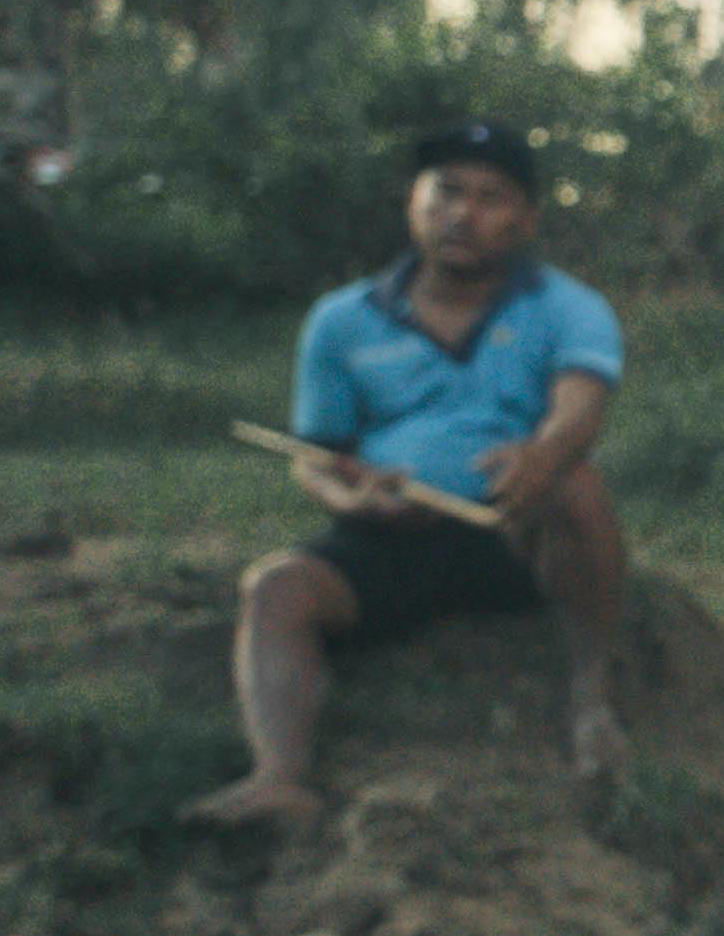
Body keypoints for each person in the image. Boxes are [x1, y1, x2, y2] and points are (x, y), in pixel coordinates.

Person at [196, 115, 633, 820]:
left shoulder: (568, 308)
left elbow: (581, 409)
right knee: (276, 588)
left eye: (491, 198)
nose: (462, 213)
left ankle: (591, 699)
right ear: (413, 203)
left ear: (525, 219)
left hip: (512, 534)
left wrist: (541, 456)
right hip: (392, 535)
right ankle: (279, 778)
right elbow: (317, 458)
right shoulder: (341, 321)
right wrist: (350, 501)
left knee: (576, 485)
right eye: (446, 191)